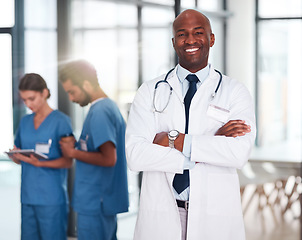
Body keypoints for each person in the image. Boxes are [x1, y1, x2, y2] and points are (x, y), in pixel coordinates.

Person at [126, 9, 256, 240]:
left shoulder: (235, 92)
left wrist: (172, 140)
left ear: (211, 38)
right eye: (182, 34)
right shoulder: (150, 91)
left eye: (198, 32)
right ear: (174, 42)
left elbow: (237, 154)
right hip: (162, 214)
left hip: (214, 215)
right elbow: (135, 155)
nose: (191, 40)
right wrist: (211, 144)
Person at [58, 60, 129, 240]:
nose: (71, 98)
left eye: (72, 92)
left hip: (96, 201)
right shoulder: (107, 107)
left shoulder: (100, 112)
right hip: (99, 200)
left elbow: (108, 158)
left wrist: (72, 153)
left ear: (87, 85)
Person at [9, 73, 73, 240]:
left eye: (32, 98)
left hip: (51, 198)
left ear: (44, 93)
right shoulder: (24, 122)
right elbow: (20, 154)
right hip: (28, 197)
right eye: (24, 100)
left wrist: (40, 164)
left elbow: (68, 161)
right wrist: (16, 156)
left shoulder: (61, 121)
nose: (28, 104)